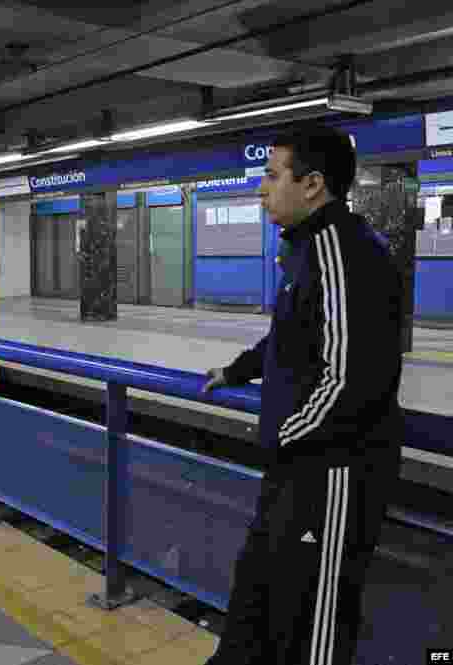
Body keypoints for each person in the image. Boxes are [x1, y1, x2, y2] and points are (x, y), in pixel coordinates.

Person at [201, 124, 404, 665]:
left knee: (314, 617)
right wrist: (238, 370)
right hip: (298, 465)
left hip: (334, 471)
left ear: (312, 184)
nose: (262, 189)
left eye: (272, 175)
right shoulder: (306, 250)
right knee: (260, 597)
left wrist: (283, 433)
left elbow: (349, 380)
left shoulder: (345, 253)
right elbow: (291, 337)